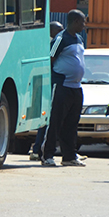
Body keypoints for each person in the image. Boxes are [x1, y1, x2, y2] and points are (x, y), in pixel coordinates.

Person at [41, 10, 87, 167]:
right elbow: (50, 58)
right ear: (74, 21)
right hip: (62, 86)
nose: (84, 25)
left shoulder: (79, 39)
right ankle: (47, 155)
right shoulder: (61, 39)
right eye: (82, 22)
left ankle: (69, 156)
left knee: (72, 123)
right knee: (55, 121)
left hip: (76, 87)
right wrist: (56, 78)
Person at [30, 21, 65, 161]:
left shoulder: (47, 42)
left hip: (46, 84)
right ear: (51, 30)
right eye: (59, 29)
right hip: (47, 84)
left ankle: (38, 149)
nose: (62, 32)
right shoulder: (53, 43)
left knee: (47, 119)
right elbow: (50, 61)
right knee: (47, 119)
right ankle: (38, 149)